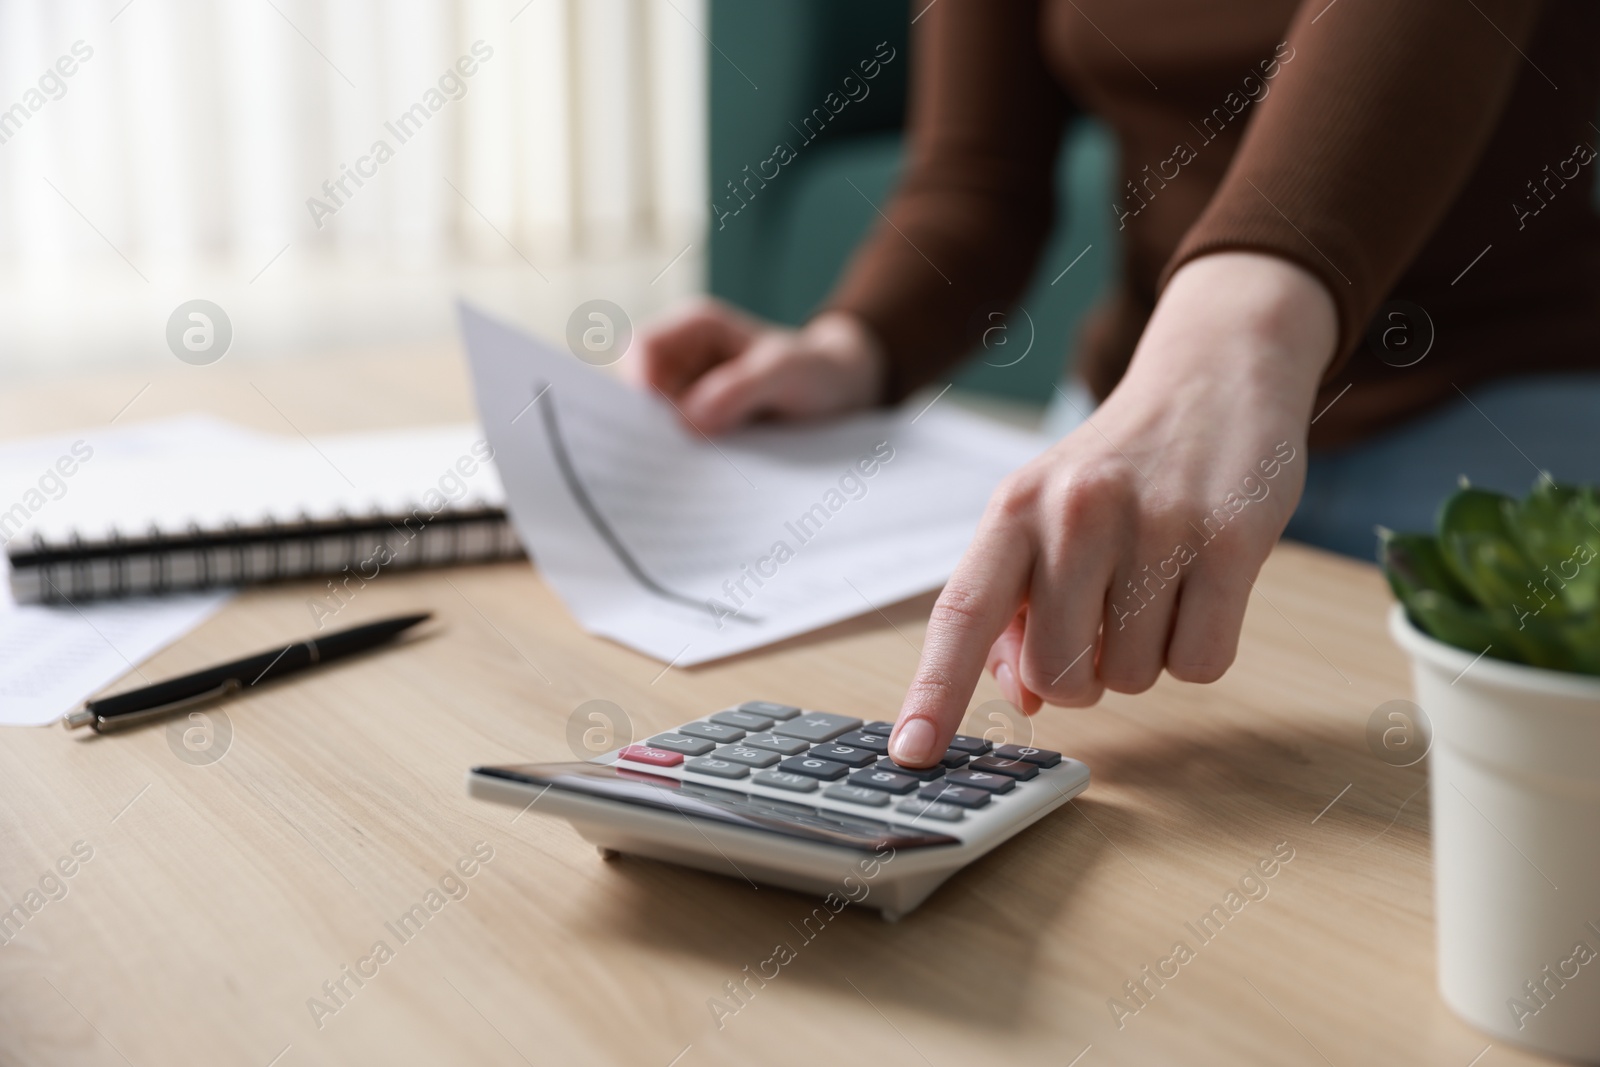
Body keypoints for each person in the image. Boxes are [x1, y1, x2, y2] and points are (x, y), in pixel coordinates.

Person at [629, 0, 1600, 768]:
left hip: (1494, 416)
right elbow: (979, 177)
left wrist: (1234, 335)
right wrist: (853, 345)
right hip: (1131, 420)